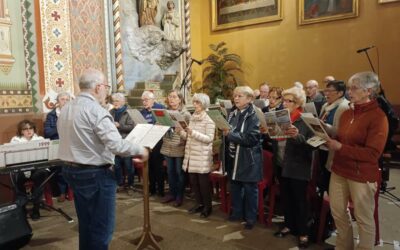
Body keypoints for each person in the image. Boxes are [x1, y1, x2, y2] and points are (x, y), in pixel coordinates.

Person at [57, 68, 148, 250]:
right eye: (106, 86)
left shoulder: (66, 108)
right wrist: (141, 149)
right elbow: (117, 146)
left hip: (71, 170)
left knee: (86, 224)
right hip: (95, 174)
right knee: (101, 229)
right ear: (98, 87)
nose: (107, 91)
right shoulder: (96, 111)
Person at [326, 71, 388, 250]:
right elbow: (343, 135)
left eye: (354, 88)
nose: (349, 92)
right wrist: (325, 130)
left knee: (363, 219)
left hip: (361, 175)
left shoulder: (378, 117)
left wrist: (340, 148)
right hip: (339, 169)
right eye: (349, 87)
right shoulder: (347, 113)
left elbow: (372, 154)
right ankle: (343, 247)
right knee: (338, 214)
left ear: (368, 91)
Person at [272, 85, 313, 249]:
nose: (284, 104)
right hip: (281, 164)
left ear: (298, 103)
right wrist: (268, 131)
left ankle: (303, 232)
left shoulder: (305, 118)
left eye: (289, 101)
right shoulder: (280, 116)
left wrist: (297, 136)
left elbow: (313, 144)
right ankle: (289, 225)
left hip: (298, 166)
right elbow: (277, 140)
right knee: (286, 198)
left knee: (299, 201)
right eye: (284, 100)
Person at [223, 86, 262, 230]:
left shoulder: (255, 114)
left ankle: (251, 217)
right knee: (235, 186)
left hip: (248, 159)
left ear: (250, 99)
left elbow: (251, 138)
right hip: (233, 156)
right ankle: (237, 212)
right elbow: (228, 131)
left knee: (250, 189)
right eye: (235, 95)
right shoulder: (232, 113)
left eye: (239, 96)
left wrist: (230, 134)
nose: (236, 98)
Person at [180, 93, 215, 218]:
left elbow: (209, 139)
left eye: (198, 102)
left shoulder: (209, 118)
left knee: (203, 184)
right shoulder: (193, 116)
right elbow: (189, 136)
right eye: (194, 102)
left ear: (204, 104)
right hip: (191, 155)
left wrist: (192, 132)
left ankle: (207, 207)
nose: (195, 105)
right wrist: (181, 132)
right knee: (194, 183)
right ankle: (199, 204)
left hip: (201, 156)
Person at [11, 120, 48, 220]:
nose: (29, 131)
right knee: (17, 178)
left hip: (36, 168)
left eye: (30, 128)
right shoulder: (15, 140)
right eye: (25, 129)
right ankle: (22, 207)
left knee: (40, 177)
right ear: (21, 131)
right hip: (21, 168)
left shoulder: (40, 139)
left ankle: (36, 208)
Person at [318, 80, 349, 194]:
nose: (326, 94)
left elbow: (341, 132)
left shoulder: (344, 107)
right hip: (322, 145)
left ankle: (329, 207)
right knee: (322, 176)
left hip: (333, 148)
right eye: (325, 90)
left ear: (340, 93)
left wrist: (324, 126)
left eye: (330, 91)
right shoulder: (326, 105)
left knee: (329, 178)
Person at [160, 89, 191, 207]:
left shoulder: (186, 114)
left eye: (174, 97)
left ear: (180, 99)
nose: (171, 99)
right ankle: (172, 193)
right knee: (170, 172)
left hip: (179, 146)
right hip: (167, 145)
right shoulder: (165, 112)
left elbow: (188, 132)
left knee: (179, 172)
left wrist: (181, 134)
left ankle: (179, 195)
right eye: (170, 96)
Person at [44, 92, 71, 202]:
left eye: (67, 99)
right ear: (58, 102)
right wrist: (60, 127)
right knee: (59, 169)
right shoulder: (51, 115)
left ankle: (70, 191)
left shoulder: (73, 114)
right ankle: (62, 192)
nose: (65, 102)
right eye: (62, 99)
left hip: (70, 145)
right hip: (57, 145)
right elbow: (48, 132)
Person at [140, 90, 166, 197]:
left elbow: (163, 124)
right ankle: (152, 189)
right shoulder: (143, 112)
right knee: (149, 166)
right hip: (146, 141)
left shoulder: (160, 108)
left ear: (152, 100)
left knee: (158, 167)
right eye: (143, 100)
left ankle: (161, 190)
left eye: (146, 100)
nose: (144, 102)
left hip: (158, 141)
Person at [110, 93, 135, 192]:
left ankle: (130, 185)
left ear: (123, 101)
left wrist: (119, 126)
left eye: (117, 101)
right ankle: (120, 183)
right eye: (113, 101)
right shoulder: (110, 112)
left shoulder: (130, 112)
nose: (114, 103)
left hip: (126, 142)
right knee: (117, 165)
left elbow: (132, 127)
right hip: (115, 142)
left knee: (128, 166)